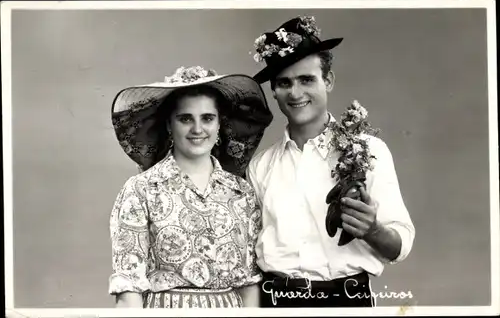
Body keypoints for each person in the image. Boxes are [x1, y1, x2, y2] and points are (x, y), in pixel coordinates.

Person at [246, 16, 416, 307]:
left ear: (328, 80)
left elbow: (400, 244)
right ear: (274, 91)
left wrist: (373, 230)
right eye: (285, 83)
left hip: (346, 302)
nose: (296, 93)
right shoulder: (260, 167)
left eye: (306, 80)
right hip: (277, 302)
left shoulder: (368, 152)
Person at [108, 66, 273, 308]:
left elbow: (248, 283)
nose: (197, 129)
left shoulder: (241, 192)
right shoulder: (141, 189)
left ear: (219, 126)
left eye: (207, 118)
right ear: (168, 126)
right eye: (185, 118)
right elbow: (129, 285)